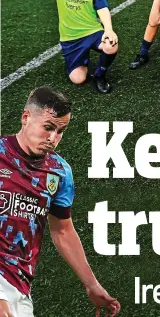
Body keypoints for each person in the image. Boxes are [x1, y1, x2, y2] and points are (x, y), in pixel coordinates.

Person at [0, 87, 120, 317]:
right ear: (26, 118)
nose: (53, 138)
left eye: (60, 131)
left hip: (19, 283)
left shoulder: (59, 172)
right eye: (48, 128)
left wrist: (91, 284)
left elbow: (63, 231)